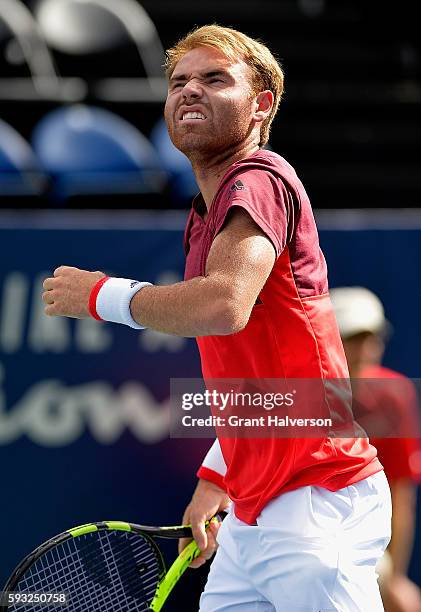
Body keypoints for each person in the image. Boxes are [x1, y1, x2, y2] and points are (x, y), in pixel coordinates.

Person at [42, 25, 392, 611]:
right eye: (178, 81)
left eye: (214, 79)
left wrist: (102, 295)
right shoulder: (209, 211)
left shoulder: (258, 180)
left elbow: (224, 305)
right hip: (253, 517)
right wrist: (217, 476)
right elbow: (266, 381)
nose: (189, 91)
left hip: (314, 501)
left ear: (262, 105)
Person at [330, 286, 421, 612]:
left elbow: (401, 489)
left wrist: (395, 575)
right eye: (354, 337)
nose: (367, 348)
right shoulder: (295, 394)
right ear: (331, 339)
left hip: (363, 540)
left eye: (374, 336)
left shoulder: (395, 395)